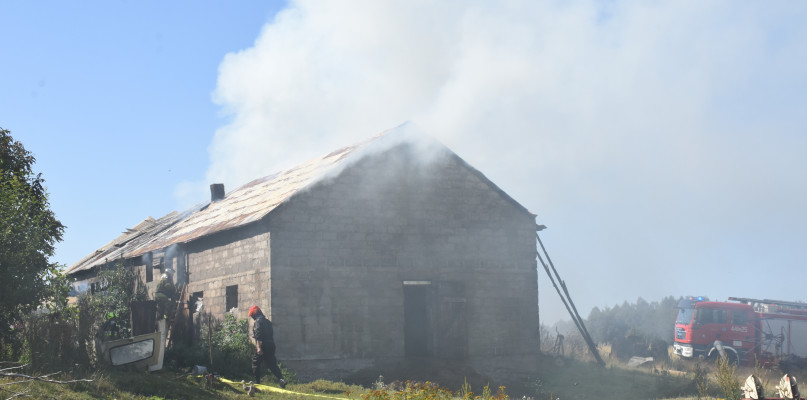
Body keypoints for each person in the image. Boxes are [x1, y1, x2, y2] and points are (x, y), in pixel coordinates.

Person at [249, 305, 287, 388]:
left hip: (263, 345)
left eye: (252, 315)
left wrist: (258, 347)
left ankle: (257, 383)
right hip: (271, 344)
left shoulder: (258, 321)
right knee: (272, 364)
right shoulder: (267, 322)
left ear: (254, 314)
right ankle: (281, 379)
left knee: (255, 363)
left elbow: (259, 335)